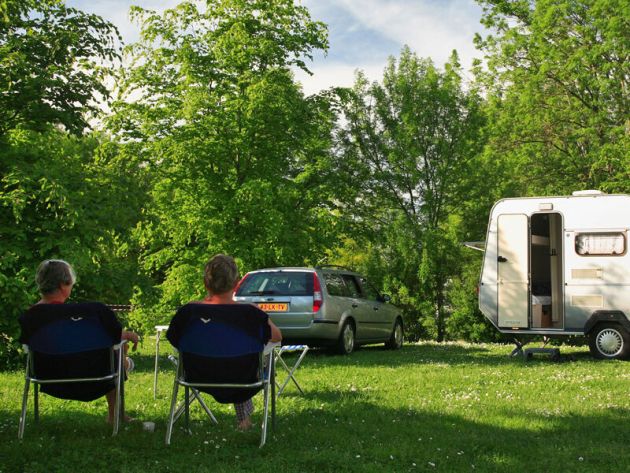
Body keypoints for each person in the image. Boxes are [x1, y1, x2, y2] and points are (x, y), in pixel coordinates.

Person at [167, 254, 282, 431]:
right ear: (237, 283)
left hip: (197, 375)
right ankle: (245, 421)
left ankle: (244, 420)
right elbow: (277, 336)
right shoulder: (250, 313)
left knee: (234, 358)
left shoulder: (189, 312)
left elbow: (175, 339)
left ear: (206, 283)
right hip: (244, 378)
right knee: (242, 359)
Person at [18, 259, 139, 424]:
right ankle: (115, 413)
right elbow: (114, 336)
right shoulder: (94, 312)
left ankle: (124, 364)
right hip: (96, 375)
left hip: (47, 376)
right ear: (63, 285)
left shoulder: (30, 318)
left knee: (116, 355)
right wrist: (126, 335)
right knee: (116, 356)